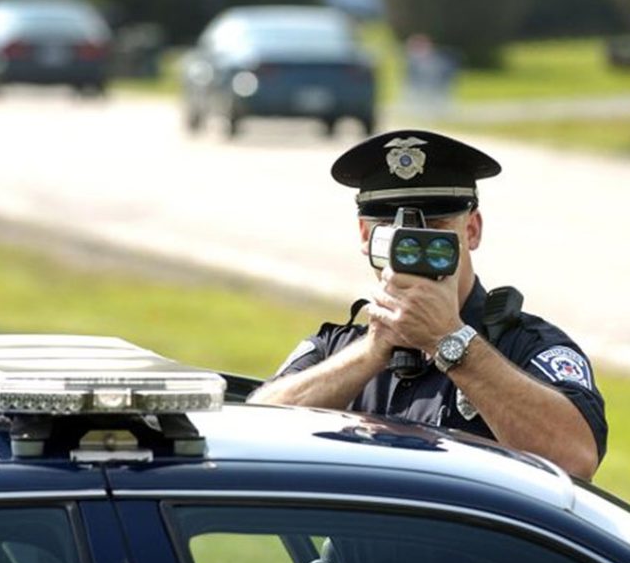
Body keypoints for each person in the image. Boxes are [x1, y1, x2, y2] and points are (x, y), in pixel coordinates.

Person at [249, 130, 607, 479]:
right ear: (365, 236)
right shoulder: (339, 349)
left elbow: (575, 459)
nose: (410, 249)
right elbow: (250, 437)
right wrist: (372, 352)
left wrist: (451, 341)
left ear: (472, 231)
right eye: (390, 231)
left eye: (434, 229)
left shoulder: (526, 347)